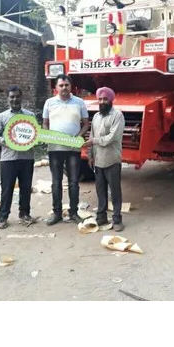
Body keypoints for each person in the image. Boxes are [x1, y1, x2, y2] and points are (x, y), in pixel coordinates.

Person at [42, 74, 89, 225]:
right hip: (55, 148)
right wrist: (48, 136)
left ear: (71, 86)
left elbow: (86, 124)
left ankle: (74, 213)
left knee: (74, 182)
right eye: (61, 85)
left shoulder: (79, 102)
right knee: (56, 182)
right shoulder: (49, 103)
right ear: (56, 88)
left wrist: (77, 138)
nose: (64, 88)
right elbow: (45, 124)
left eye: (66, 85)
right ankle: (57, 214)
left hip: (73, 148)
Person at [0, 85, 35, 229]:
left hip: (27, 158)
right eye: (12, 97)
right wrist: (4, 141)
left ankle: (25, 214)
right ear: (8, 99)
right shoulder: (2, 117)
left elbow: (35, 134)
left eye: (17, 96)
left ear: (21, 97)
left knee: (25, 188)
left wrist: (33, 140)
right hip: (8, 158)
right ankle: (2, 217)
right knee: (7, 189)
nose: (15, 99)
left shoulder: (30, 116)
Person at [84, 87, 125, 232]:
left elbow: (111, 138)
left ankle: (117, 219)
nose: (102, 102)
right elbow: (91, 137)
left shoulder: (117, 116)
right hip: (98, 160)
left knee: (115, 191)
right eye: (100, 99)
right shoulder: (96, 117)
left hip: (112, 159)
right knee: (100, 190)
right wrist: (90, 155)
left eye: (105, 99)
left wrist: (93, 141)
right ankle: (101, 216)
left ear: (111, 100)